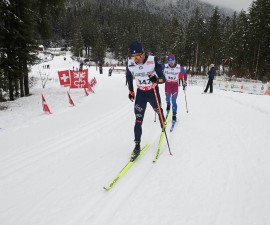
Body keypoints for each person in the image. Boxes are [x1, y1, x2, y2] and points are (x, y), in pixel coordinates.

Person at [126, 41, 166, 161]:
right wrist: (131, 91)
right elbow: (129, 76)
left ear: (143, 54)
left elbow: (163, 79)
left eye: (138, 56)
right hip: (141, 94)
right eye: (133, 57)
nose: (135, 59)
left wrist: (156, 79)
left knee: (158, 110)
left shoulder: (153, 60)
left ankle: (162, 122)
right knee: (138, 120)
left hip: (152, 92)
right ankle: (137, 145)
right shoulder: (130, 63)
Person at [163, 54, 187, 123]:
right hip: (167, 84)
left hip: (175, 85)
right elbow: (157, 69)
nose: (171, 63)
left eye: (172, 61)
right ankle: (168, 105)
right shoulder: (165, 66)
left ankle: (174, 114)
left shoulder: (179, 67)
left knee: (173, 100)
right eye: (169, 61)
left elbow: (185, 74)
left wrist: (185, 82)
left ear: (175, 60)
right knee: (167, 98)